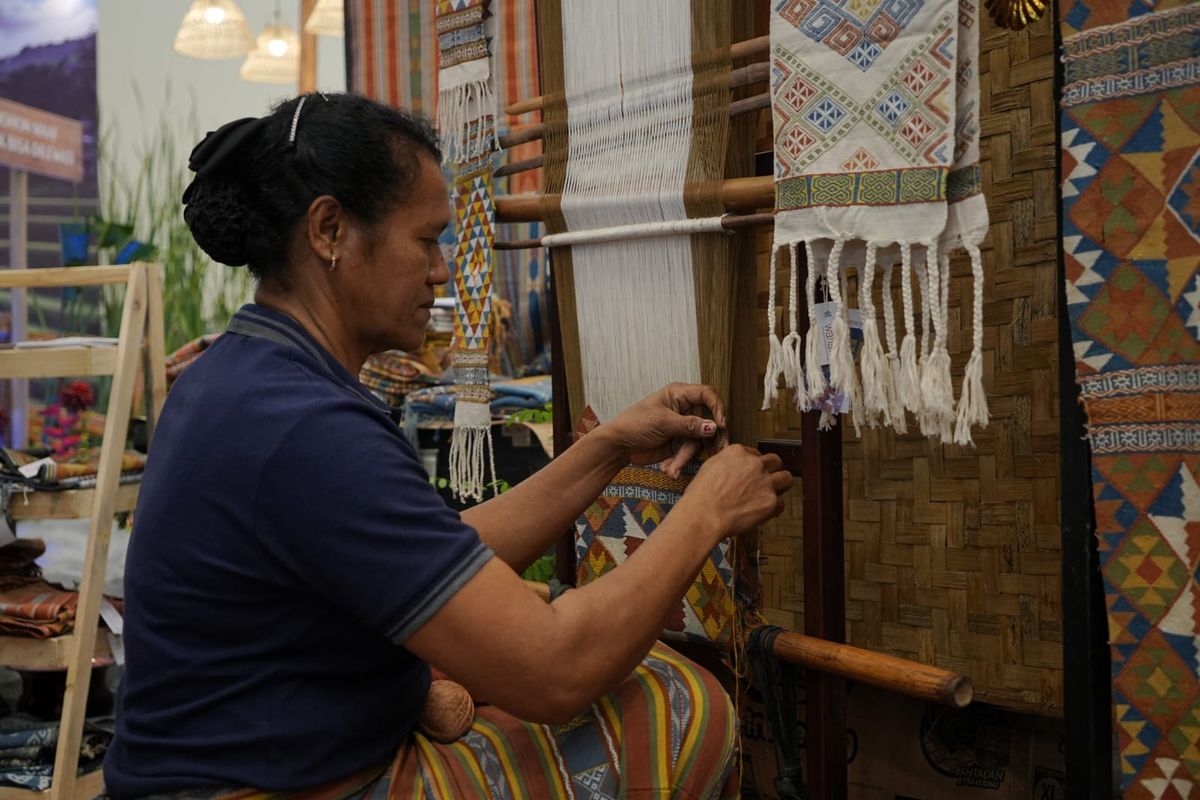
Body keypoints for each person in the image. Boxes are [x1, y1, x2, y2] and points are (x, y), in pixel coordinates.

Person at [105, 93, 792, 799]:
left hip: (205, 773)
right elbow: (556, 669)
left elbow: (428, 551)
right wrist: (707, 511)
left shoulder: (245, 375)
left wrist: (610, 447)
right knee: (680, 706)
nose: (441, 271)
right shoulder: (307, 427)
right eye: (426, 239)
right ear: (330, 229)